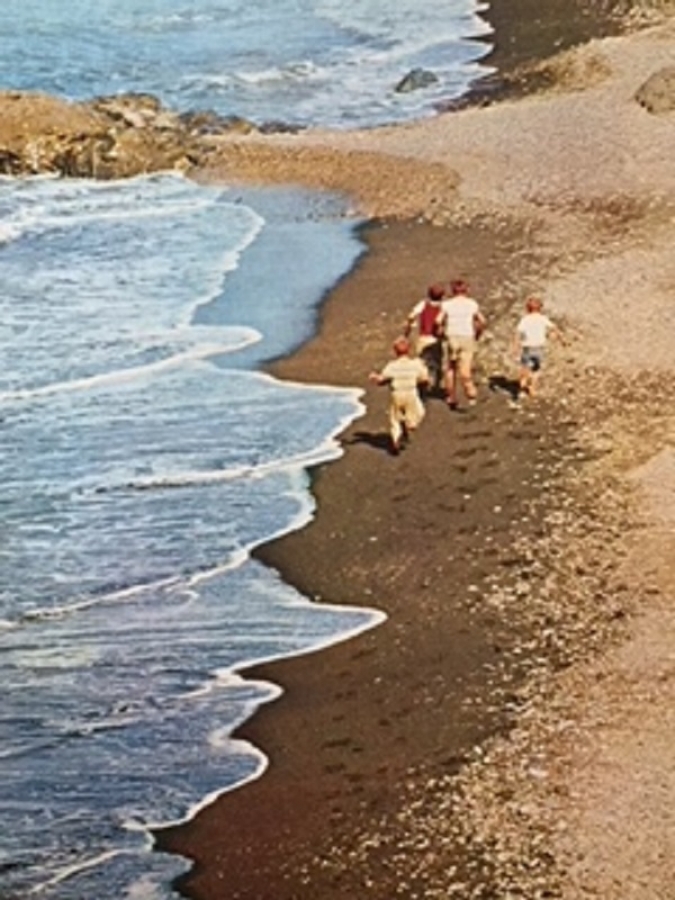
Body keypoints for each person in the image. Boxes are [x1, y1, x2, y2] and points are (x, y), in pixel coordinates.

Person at [369, 337, 429, 454]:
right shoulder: (415, 364)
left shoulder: (392, 366)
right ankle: (410, 424)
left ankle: (396, 437)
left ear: (395, 351)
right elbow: (424, 378)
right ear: (409, 349)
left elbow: (382, 379)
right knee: (418, 412)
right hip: (411, 392)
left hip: (397, 393)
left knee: (395, 419)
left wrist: (375, 377)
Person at [437, 278, 486, 409]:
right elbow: (482, 321)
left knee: (451, 367)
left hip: (452, 336)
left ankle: (451, 396)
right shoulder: (472, 304)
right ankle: (470, 389)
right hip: (467, 336)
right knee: (465, 367)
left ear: (453, 291)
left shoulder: (447, 304)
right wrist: (478, 333)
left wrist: (441, 331)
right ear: (466, 290)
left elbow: (438, 320)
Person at [512, 296, 565, 399]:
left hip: (528, 348)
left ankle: (524, 381)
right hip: (539, 348)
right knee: (536, 369)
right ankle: (532, 389)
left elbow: (517, 333)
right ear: (540, 308)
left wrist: (515, 346)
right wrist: (562, 339)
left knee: (525, 366)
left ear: (527, 308)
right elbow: (554, 328)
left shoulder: (525, 319)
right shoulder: (543, 318)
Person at [403, 282, 446, 394]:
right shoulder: (444, 306)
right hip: (436, 338)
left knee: (422, 362)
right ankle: (436, 385)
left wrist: (407, 332)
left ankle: (422, 384)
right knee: (437, 362)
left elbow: (411, 316)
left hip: (423, 337)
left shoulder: (423, 304)